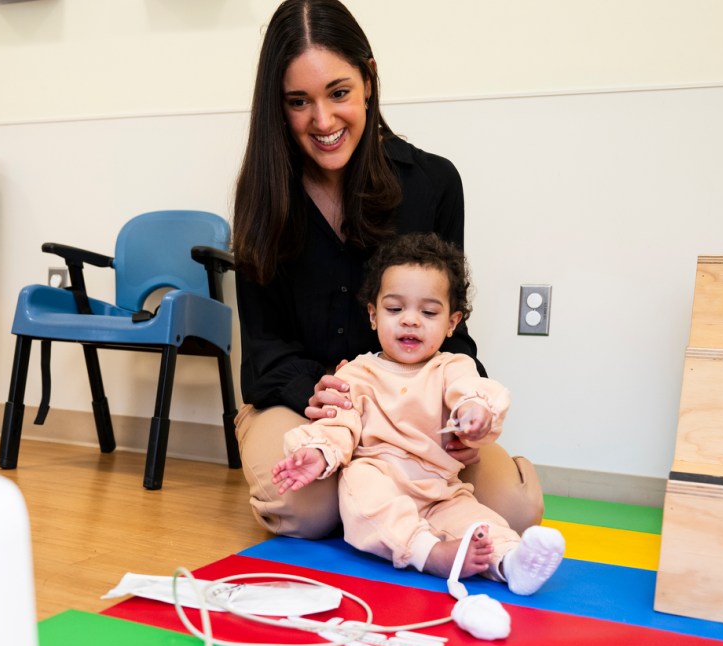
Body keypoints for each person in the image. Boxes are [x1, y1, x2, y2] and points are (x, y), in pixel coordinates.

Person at [232, 0, 544, 539]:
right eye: (298, 102)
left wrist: (464, 413)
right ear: (278, 108)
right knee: (305, 510)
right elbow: (263, 350)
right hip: (307, 407)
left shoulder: (434, 182)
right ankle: (368, 489)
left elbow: (453, 332)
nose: (323, 121)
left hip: (412, 413)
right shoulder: (263, 197)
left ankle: (386, 490)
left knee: (513, 513)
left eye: (339, 92)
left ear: (369, 79)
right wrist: (318, 393)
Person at [272, 234, 565, 593]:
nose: (410, 321)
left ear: (452, 322)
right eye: (395, 310)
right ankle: (429, 553)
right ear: (373, 315)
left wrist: (476, 413)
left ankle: (511, 563)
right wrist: (318, 453)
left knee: (480, 522)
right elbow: (339, 423)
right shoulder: (357, 372)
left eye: (428, 313)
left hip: (441, 488)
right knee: (364, 495)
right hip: (381, 476)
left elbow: (470, 394)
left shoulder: (452, 366)